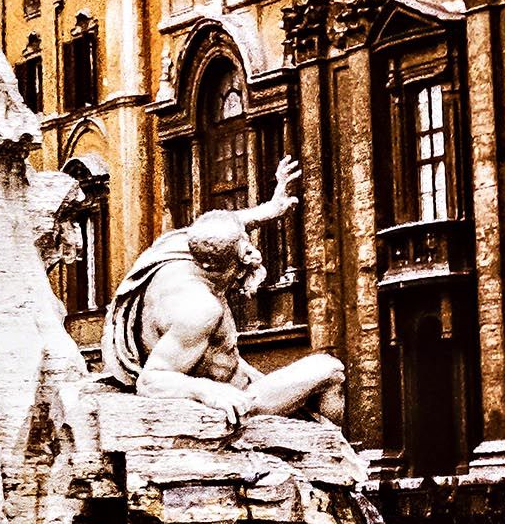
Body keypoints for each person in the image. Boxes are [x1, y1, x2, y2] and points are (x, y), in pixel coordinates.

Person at [102, 156, 345, 428]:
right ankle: (329, 449)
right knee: (330, 369)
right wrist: (210, 393)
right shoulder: (201, 309)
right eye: (245, 253)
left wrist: (271, 208)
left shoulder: (180, 247)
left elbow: (223, 226)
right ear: (231, 267)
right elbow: (151, 380)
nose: (252, 252)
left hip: (241, 377)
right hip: (241, 401)